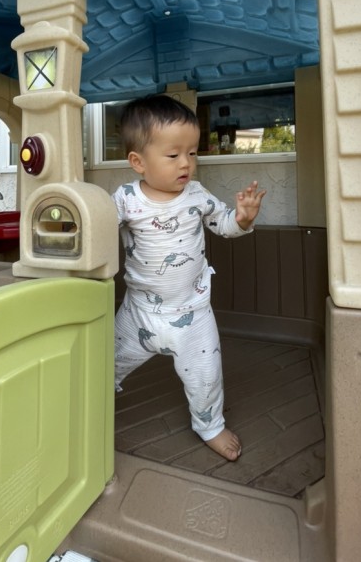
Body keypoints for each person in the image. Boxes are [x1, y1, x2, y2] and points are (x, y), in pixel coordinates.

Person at [112, 94, 266, 461]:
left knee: (206, 377)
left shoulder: (196, 195)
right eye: (173, 155)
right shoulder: (125, 199)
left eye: (192, 153)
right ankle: (84, 407)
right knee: (102, 363)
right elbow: (96, 231)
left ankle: (210, 426)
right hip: (138, 313)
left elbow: (223, 224)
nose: (186, 163)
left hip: (192, 313)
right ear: (138, 162)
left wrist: (242, 218)